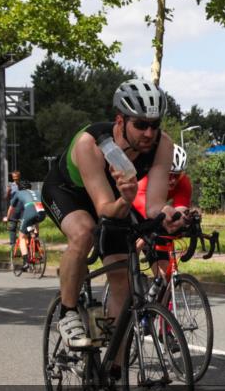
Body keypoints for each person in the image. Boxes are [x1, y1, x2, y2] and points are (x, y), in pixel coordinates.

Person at [42, 78, 177, 350]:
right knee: (84, 232)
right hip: (67, 192)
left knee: (122, 281)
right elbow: (104, 209)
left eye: (154, 125)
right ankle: (68, 312)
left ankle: (109, 363)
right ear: (120, 120)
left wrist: (173, 215)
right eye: (140, 124)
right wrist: (125, 198)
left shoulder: (163, 144)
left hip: (116, 197)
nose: (149, 133)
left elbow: (154, 206)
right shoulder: (91, 143)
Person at [132, 144, 195, 279]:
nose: (172, 180)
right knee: (130, 255)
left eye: (176, 176)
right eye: (169, 175)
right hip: (132, 210)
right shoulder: (146, 178)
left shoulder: (184, 183)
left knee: (165, 275)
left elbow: (180, 210)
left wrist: (185, 219)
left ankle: (159, 290)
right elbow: (143, 206)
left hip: (155, 212)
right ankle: (129, 281)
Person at [4, 181, 46, 270]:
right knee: (35, 222)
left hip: (30, 210)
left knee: (22, 237)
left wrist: (7, 218)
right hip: (41, 211)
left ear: (20, 188)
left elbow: (11, 208)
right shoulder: (37, 191)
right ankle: (36, 240)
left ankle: (26, 262)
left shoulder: (18, 193)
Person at [3, 170, 22, 250]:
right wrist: (8, 192)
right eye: (14, 178)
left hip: (23, 208)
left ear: (19, 177)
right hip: (13, 208)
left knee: (24, 227)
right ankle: (12, 246)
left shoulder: (23, 185)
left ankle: (25, 243)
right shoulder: (10, 185)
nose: (15, 179)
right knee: (12, 227)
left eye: (17, 178)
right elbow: (6, 198)